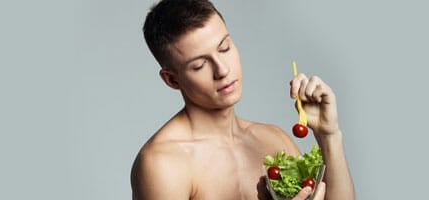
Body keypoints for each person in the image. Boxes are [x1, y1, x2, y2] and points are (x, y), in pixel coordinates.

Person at [130, 0, 355, 199]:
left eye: (225, 48)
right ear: (172, 80)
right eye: (199, 65)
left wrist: (328, 135)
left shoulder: (274, 140)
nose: (222, 70)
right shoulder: (162, 163)